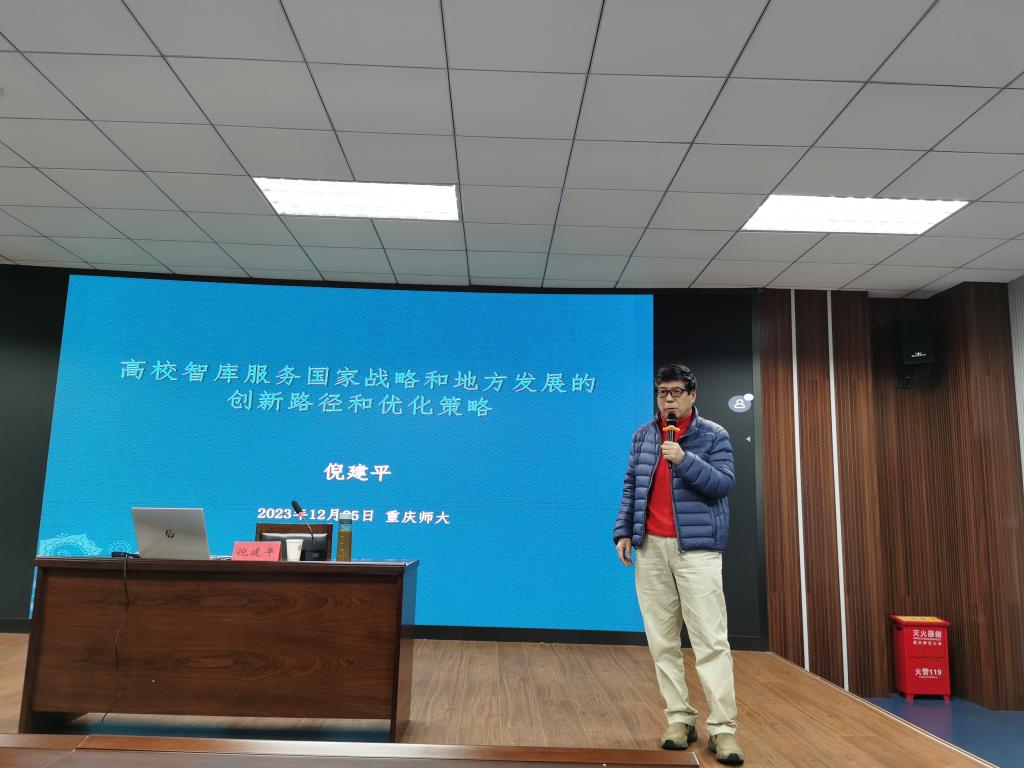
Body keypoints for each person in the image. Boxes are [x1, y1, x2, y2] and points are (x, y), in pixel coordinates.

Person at [613, 363, 743, 765]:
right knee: (662, 641)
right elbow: (632, 486)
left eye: (675, 392)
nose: (667, 400)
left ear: (692, 395)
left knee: (710, 642)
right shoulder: (644, 435)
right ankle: (679, 718)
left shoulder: (713, 434)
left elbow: (723, 484)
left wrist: (684, 459)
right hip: (651, 548)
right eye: (661, 393)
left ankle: (722, 729)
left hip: (697, 551)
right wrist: (623, 531)